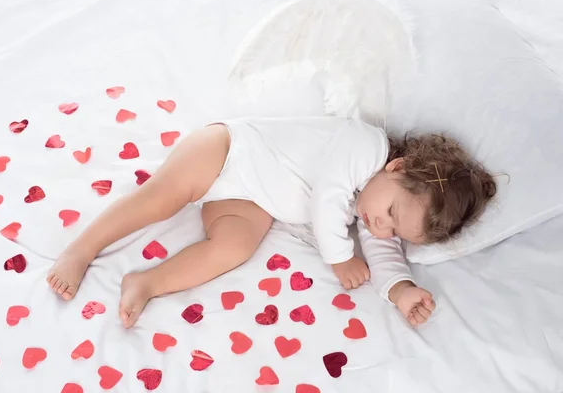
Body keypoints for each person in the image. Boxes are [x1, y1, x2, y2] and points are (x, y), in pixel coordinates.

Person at [45, 117, 497, 328]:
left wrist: (399, 289)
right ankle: (81, 249)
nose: (381, 226)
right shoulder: (364, 146)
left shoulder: (374, 208)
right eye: (392, 214)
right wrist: (339, 259)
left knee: (233, 248)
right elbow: (327, 197)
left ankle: (146, 282)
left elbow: (381, 249)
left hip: (250, 199)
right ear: (397, 168)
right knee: (161, 201)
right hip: (227, 151)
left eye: (396, 230)